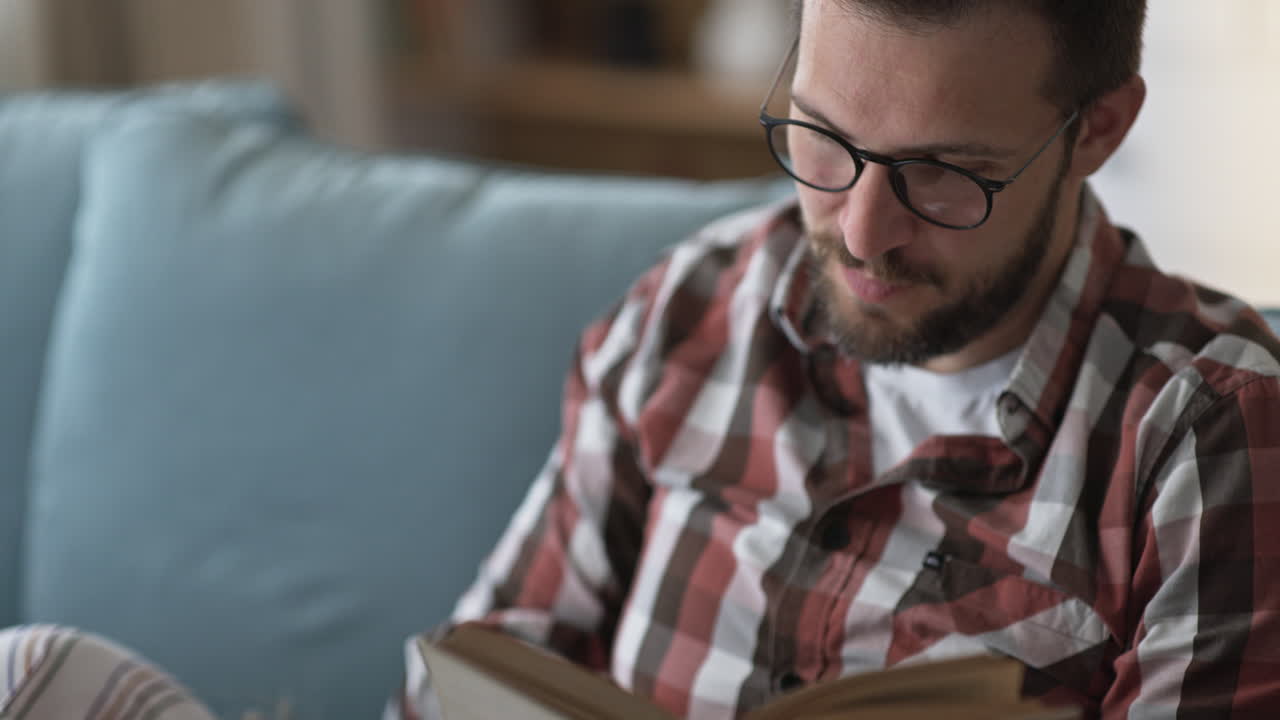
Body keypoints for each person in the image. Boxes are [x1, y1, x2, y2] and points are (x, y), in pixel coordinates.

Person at [391, 0, 1280, 718]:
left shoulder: (1207, 436)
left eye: (942, 174)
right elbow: (471, 674)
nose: (858, 235)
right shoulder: (692, 310)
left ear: (1099, 131)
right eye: (821, 135)